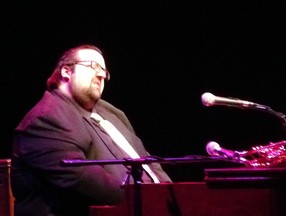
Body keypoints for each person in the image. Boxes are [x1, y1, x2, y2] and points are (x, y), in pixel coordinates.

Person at [10, 44, 172, 216]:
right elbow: (86, 183)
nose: (101, 74)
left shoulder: (112, 114)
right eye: (93, 66)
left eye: (104, 70)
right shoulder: (45, 120)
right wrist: (155, 200)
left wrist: (175, 195)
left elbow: (148, 162)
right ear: (66, 72)